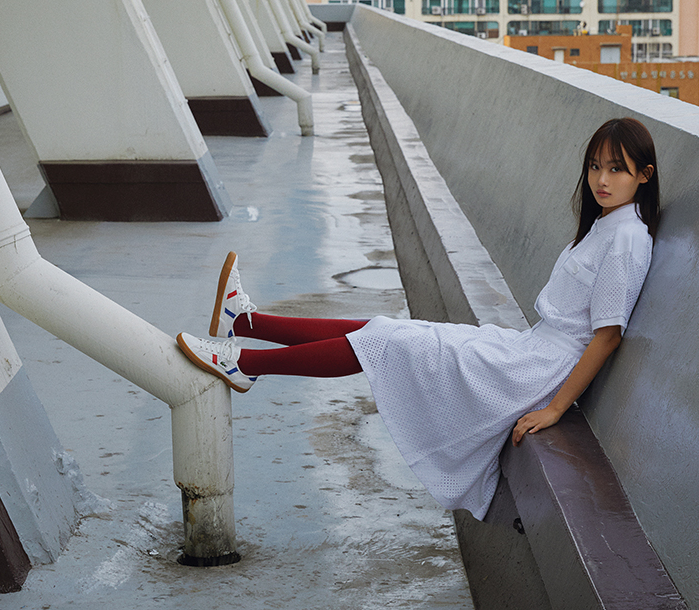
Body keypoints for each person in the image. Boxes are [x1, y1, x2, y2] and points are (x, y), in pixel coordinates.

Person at [177, 118, 659, 519]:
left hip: (536, 370)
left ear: (644, 174)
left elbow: (607, 336)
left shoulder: (628, 238)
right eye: (595, 166)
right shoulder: (607, 224)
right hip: (527, 349)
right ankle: (247, 325)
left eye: (616, 168)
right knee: (385, 330)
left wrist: (554, 409)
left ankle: (246, 364)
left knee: (388, 341)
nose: (602, 179)